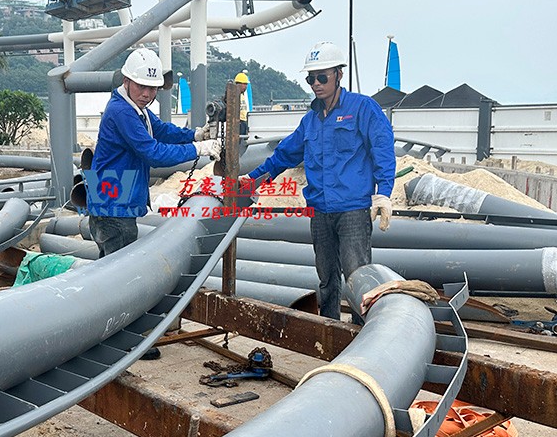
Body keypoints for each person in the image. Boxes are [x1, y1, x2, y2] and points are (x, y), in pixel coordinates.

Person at [243, 41, 396, 321]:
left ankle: (362, 333)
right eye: (311, 78)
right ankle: (330, 328)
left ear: (339, 74)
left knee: (358, 278)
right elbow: (284, 155)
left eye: (322, 77)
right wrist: (252, 180)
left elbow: (382, 149)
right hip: (320, 212)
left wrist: (383, 192)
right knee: (327, 280)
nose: (316, 84)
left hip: (352, 210)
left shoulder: (362, 109)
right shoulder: (311, 121)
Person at [87, 47, 221, 258]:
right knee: (119, 269)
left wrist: (195, 135)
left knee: (110, 267)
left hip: (112, 199)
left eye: (152, 88)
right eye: (141, 86)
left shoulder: (136, 108)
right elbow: (153, 153)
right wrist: (198, 149)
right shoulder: (122, 111)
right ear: (126, 81)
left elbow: (162, 130)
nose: (147, 94)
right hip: (113, 205)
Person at [234, 70, 250, 136]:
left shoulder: (243, 95)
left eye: (246, 84)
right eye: (244, 84)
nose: (246, 86)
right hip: (238, 122)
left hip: (244, 121)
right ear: (238, 84)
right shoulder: (234, 95)